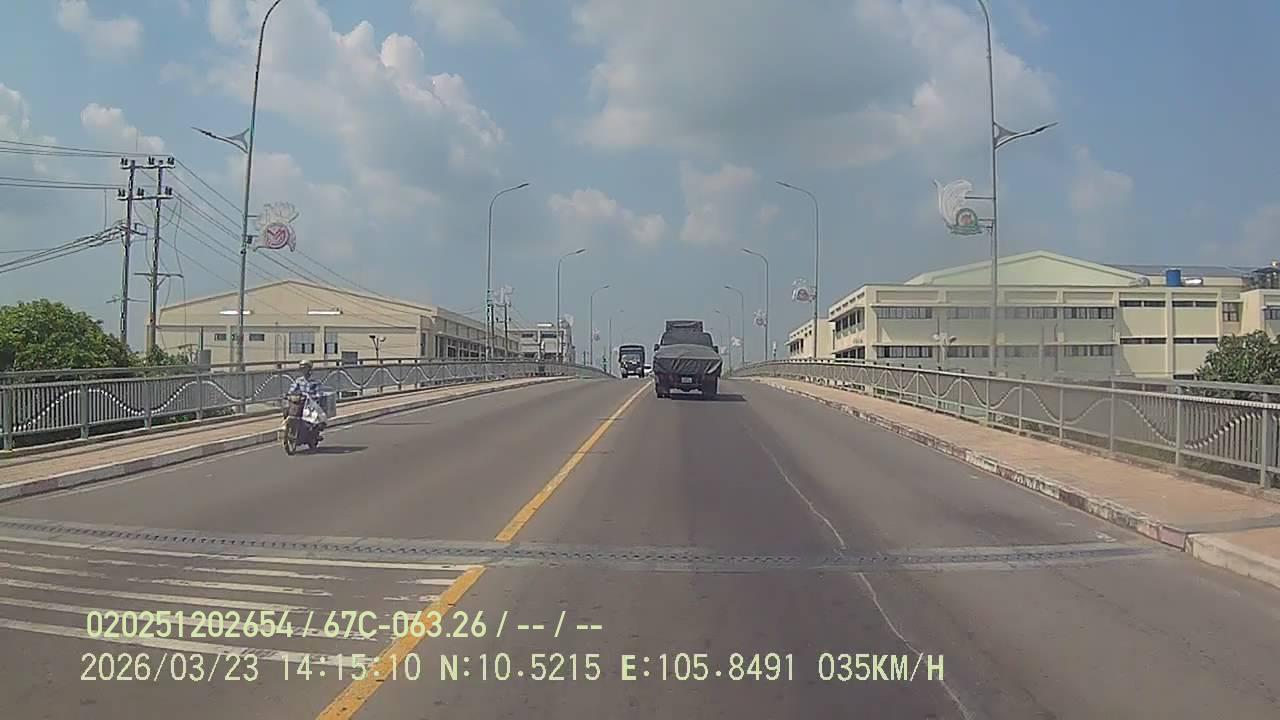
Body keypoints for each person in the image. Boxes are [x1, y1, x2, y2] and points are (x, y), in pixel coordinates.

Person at [286, 360, 326, 438]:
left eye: (304, 368)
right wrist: (288, 394)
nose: (303, 370)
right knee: (288, 410)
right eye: (301, 368)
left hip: (310, 403)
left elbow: (319, 392)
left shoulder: (315, 381)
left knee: (313, 416)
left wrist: (316, 396)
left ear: (309, 369)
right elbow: (292, 389)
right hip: (300, 401)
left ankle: (315, 433)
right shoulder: (299, 380)